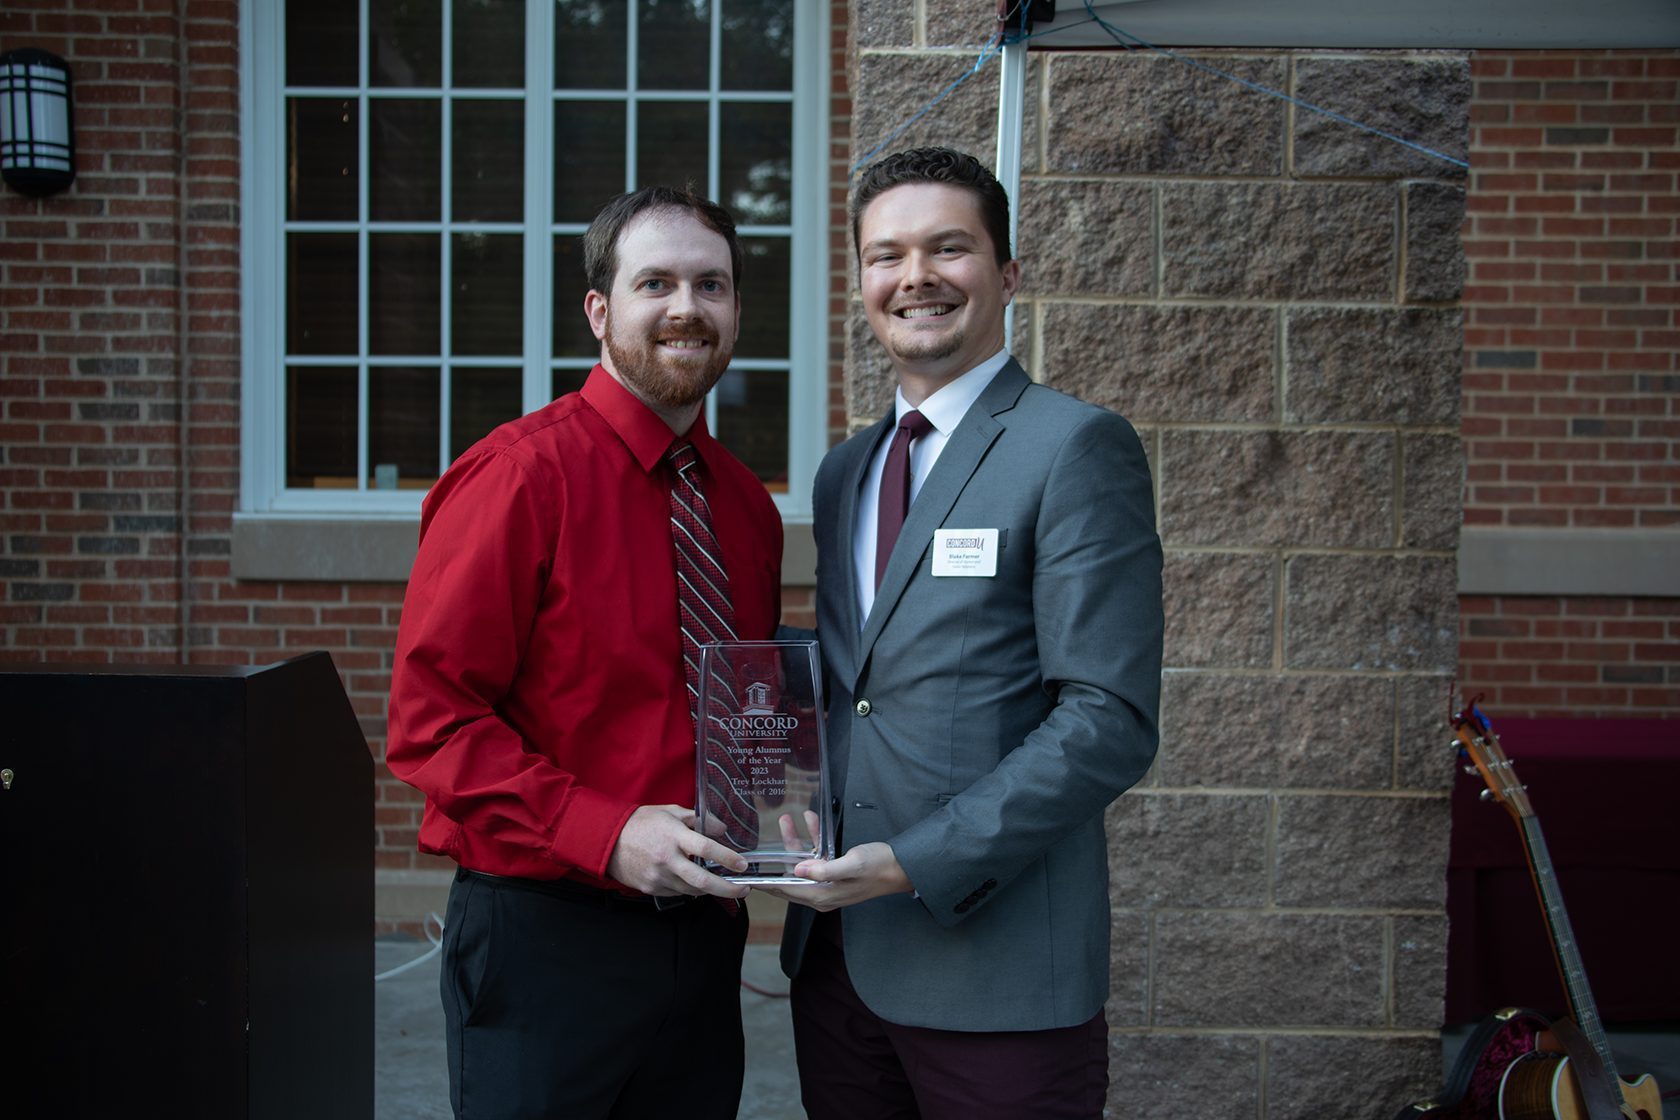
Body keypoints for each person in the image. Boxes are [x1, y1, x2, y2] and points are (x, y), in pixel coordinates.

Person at [768, 147, 1163, 1119]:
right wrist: (779, 790)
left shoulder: (1073, 445)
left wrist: (912, 860)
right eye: (886, 254)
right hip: (838, 969)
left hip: (1000, 976)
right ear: (860, 280)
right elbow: (859, 685)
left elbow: (1107, 718)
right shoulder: (845, 472)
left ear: (1007, 273)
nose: (916, 278)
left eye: (949, 248)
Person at [386, 186, 783, 1119]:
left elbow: (738, 711)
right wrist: (604, 833)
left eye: (712, 285)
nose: (687, 307)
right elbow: (430, 726)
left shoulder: (745, 507)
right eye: (657, 283)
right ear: (601, 311)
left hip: (702, 933)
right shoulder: (519, 477)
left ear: (735, 311)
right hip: (544, 940)